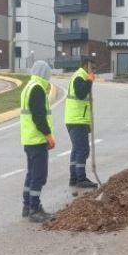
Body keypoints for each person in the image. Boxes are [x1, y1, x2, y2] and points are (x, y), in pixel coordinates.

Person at [20, 61, 56, 223]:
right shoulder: (38, 89)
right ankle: (35, 208)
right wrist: (48, 135)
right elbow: (39, 117)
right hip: (37, 139)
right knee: (39, 175)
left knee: (31, 174)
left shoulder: (28, 87)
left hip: (29, 139)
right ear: (45, 74)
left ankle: (27, 206)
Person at [64, 57, 98, 188]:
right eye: (92, 68)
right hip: (76, 120)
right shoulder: (79, 77)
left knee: (77, 149)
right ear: (86, 66)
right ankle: (80, 178)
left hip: (78, 120)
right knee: (83, 150)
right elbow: (80, 94)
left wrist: (88, 123)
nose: (94, 72)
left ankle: (74, 178)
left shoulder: (81, 77)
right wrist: (89, 80)